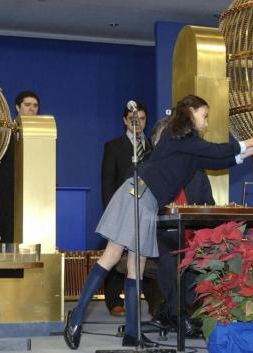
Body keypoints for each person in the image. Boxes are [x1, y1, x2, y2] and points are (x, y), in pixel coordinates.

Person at [64, 94, 253, 349]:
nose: (205, 123)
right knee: (112, 256)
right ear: (191, 112)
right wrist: (249, 141)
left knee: (136, 266)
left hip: (146, 201)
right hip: (137, 195)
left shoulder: (187, 146)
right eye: (204, 116)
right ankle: (76, 318)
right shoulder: (176, 133)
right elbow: (215, 150)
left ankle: (133, 332)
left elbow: (217, 159)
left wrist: (249, 152)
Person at [149, 116, 213, 337]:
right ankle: (180, 316)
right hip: (157, 235)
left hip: (190, 235)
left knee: (213, 254)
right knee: (171, 258)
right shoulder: (148, 171)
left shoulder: (196, 172)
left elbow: (209, 208)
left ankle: (168, 312)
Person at [100, 101, 155, 317]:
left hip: (145, 209)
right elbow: (107, 182)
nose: (137, 123)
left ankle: (149, 300)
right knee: (115, 256)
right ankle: (113, 299)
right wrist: (110, 212)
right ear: (125, 120)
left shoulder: (151, 147)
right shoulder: (113, 146)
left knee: (143, 257)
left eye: (141, 119)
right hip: (120, 209)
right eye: (133, 119)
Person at [0, 90, 39, 244]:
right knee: (5, 241)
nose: (32, 109)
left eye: (35, 106)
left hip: (34, 200)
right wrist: (2, 191)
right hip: (6, 200)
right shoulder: (5, 133)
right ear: (17, 107)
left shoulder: (41, 136)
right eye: (27, 105)